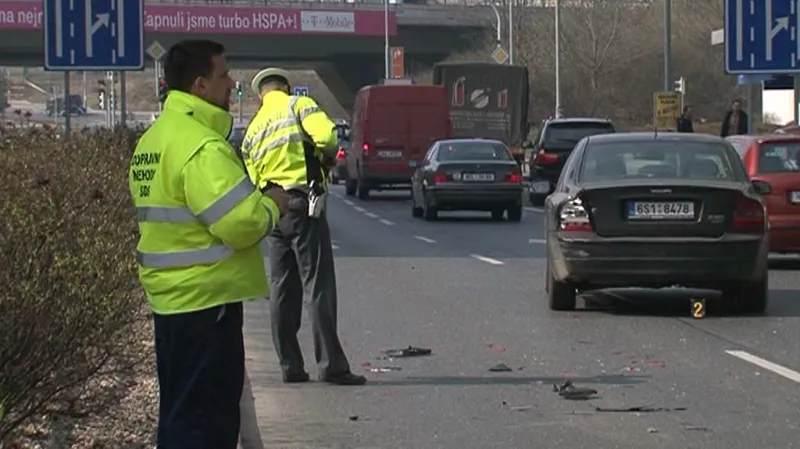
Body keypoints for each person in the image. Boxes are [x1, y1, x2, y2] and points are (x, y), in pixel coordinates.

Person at [129, 40, 291, 449]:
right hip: (207, 306)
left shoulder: (154, 140)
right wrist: (273, 205)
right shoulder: (202, 146)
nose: (232, 83)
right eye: (223, 75)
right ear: (200, 85)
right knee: (205, 426)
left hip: (171, 303)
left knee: (180, 418)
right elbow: (241, 223)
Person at [241, 67, 367, 386]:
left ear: (260, 96)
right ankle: (332, 366)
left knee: (282, 287)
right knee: (317, 282)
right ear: (287, 87)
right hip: (302, 202)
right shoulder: (298, 106)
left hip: (273, 209)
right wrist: (325, 159)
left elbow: (252, 173)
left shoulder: (253, 128)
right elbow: (327, 137)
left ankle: (290, 366)